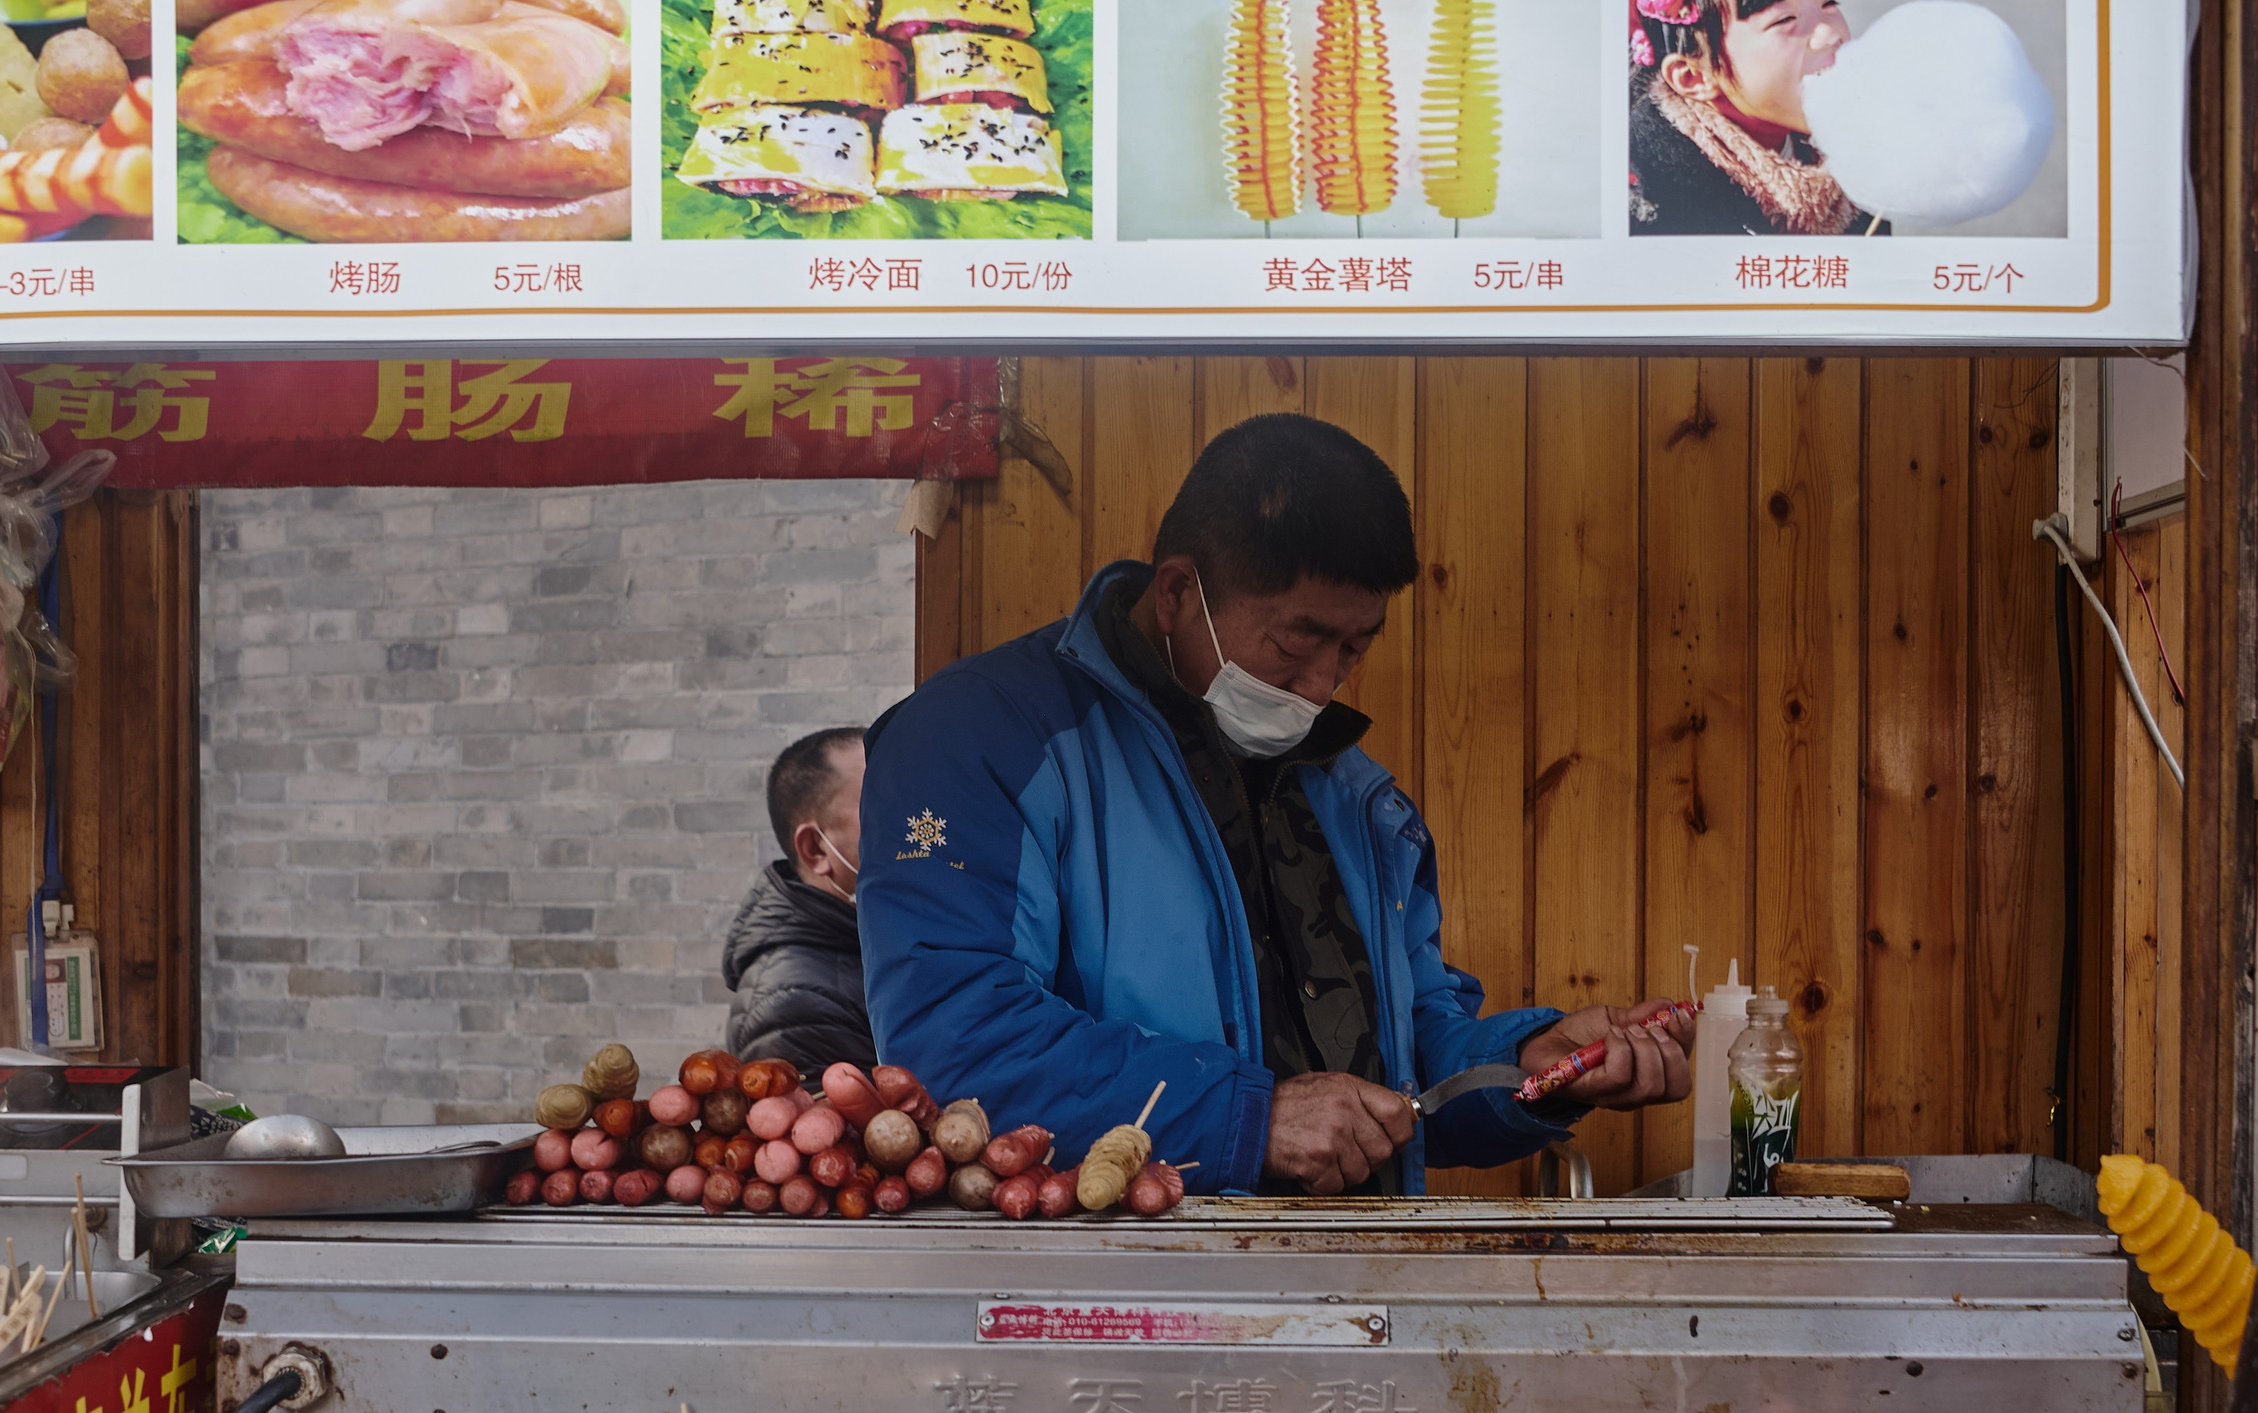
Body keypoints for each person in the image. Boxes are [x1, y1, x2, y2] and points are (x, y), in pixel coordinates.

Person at [855, 415, 1695, 1196]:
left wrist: (1529, 1064)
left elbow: (1407, 1063)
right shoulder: (975, 741)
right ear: (1177, 593)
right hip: (1114, 1284)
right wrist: (1247, 1117)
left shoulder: (1356, 796)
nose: (1322, 686)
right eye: (1296, 642)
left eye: (1354, 647)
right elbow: (955, 1041)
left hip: (1356, 1280)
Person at [1627, 0, 1870, 237]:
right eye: (1785, 19)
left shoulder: (1864, 159)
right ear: (1694, 76)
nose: (1830, 35)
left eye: (1829, 4)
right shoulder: (1650, 213)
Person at [722, 726, 877, 1082]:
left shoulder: (872, 942)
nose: (911, 824)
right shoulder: (794, 1005)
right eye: (881, 806)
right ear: (815, 848)